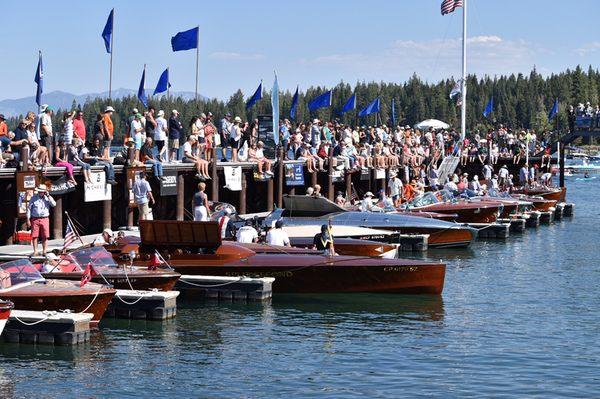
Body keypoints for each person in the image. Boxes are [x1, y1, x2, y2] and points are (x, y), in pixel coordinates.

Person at [27, 184, 56, 256]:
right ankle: (35, 251)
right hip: (35, 219)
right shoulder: (33, 198)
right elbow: (29, 209)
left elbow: (54, 204)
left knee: (45, 236)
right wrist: (28, 219)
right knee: (34, 236)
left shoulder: (47, 198)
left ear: (45, 192)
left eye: (42, 191)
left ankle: (44, 251)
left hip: (45, 218)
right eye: (39, 191)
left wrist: (49, 196)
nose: (41, 193)